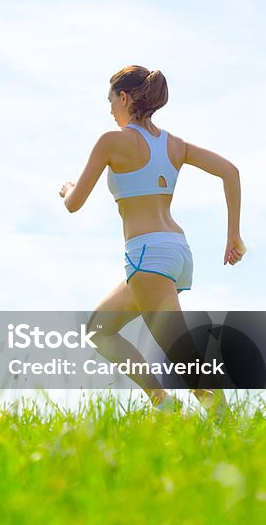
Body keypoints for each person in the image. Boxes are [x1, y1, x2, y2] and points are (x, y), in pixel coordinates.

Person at [58, 65, 245, 416]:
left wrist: (67, 188)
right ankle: (163, 404)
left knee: (180, 355)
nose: (110, 109)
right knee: (99, 329)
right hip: (172, 252)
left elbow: (74, 203)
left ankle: (231, 424)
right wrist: (233, 234)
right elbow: (229, 171)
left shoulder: (111, 141)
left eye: (111, 100)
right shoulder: (174, 144)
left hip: (149, 254)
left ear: (125, 97)